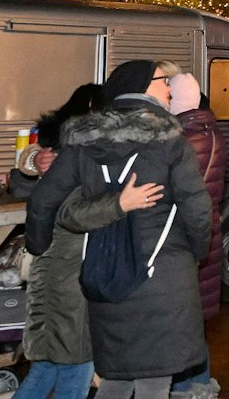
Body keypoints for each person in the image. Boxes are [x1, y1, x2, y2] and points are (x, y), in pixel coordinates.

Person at [27, 60, 211, 399]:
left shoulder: (83, 143)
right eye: (163, 80)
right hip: (164, 276)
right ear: (141, 85)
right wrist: (197, 253)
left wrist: (37, 244)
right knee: (155, 381)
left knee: (117, 377)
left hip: (106, 273)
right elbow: (197, 209)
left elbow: (43, 201)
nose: (170, 87)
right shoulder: (169, 140)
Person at [16, 83, 151, 399]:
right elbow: (70, 213)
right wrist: (121, 203)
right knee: (77, 364)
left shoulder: (75, 150)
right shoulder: (74, 153)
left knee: (52, 366)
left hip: (67, 271)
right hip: (65, 274)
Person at [169, 72, 227, 399]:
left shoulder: (186, 141)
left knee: (183, 320)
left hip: (187, 240)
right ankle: (199, 383)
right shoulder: (208, 131)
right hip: (206, 235)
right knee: (193, 319)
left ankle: (186, 387)